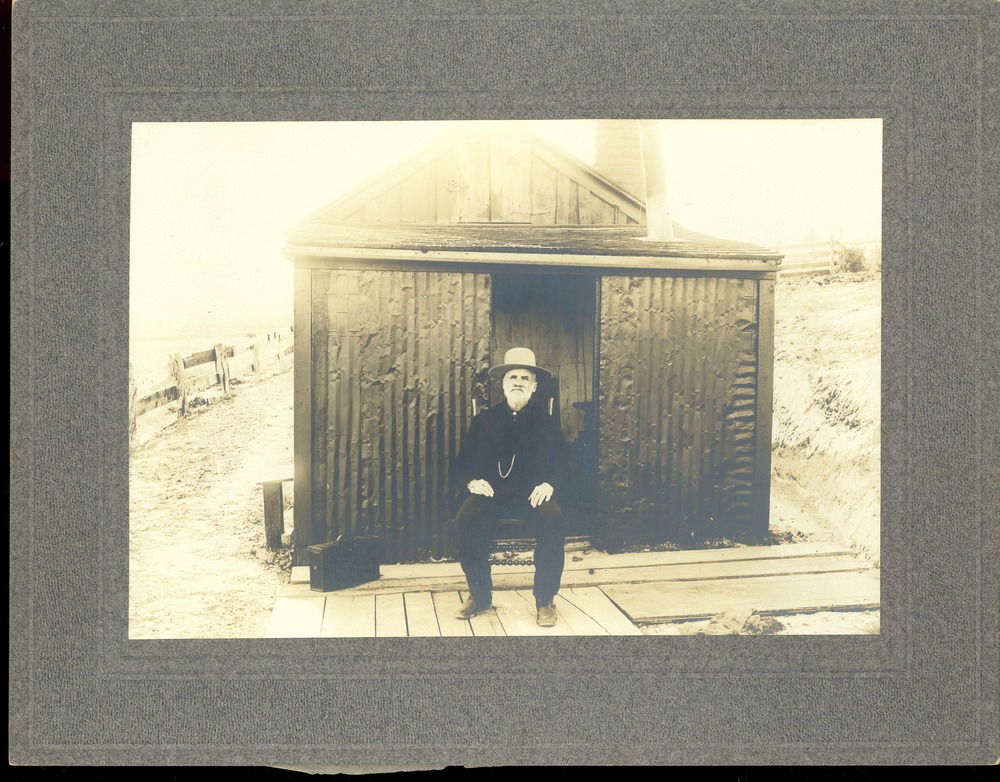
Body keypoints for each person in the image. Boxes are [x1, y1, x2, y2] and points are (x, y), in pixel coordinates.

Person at [451, 347, 568, 627]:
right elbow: (461, 463)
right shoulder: (484, 421)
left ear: (534, 386)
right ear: (503, 384)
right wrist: (470, 481)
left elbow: (563, 462)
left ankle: (545, 599)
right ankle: (480, 595)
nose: (518, 382)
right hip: (492, 495)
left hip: (531, 495)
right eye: (513, 376)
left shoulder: (546, 422)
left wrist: (550, 483)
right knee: (465, 519)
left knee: (553, 519)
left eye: (525, 378)